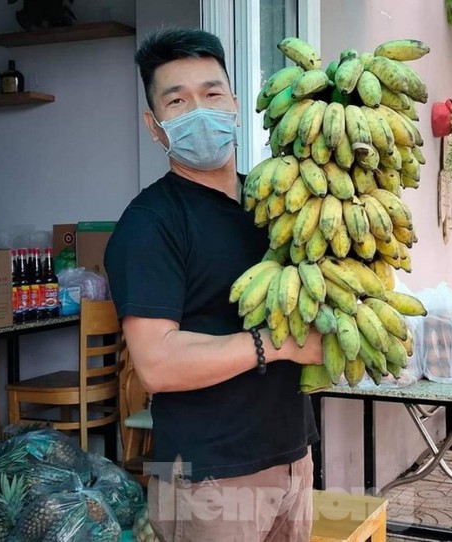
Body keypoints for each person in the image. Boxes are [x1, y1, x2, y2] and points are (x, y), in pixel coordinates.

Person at [104, 27, 324, 541]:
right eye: (177, 101)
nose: (200, 111)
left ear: (234, 105)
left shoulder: (277, 204)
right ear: (155, 126)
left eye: (212, 93)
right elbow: (156, 364)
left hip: (293, 455)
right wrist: (279, 345)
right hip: (206, 476)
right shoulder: (150, 223)